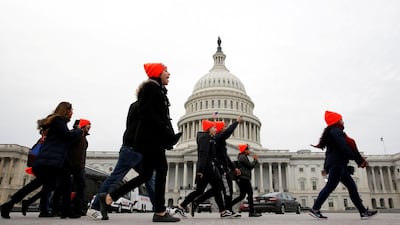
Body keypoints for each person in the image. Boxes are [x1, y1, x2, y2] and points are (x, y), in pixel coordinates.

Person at [99, 63, 182, 222]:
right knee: (160, 171)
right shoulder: (152, 89)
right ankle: (159, 212)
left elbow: (158, 117)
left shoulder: (156, 89)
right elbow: (148, 115)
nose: (169, 74)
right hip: (152, 141)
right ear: (158, 73)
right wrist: (164, 134)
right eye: (165, 71)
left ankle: (109, 197)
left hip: (151, 140)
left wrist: (168, 136)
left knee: (146, 175)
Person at [88, 88, 156, 220]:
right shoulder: (142, 107)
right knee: (116, 178)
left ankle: (160, 210)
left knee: (150, 177)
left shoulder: (137, 106)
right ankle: (94, 207)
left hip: (137, 150)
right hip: (132, 149)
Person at [308, 110, 377, 220]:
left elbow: (328, 153)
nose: (343, 122)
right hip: (337, 164)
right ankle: (315, 209)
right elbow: (344, 146)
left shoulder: (332, 132)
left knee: (352, 187)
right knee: (330, 186)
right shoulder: (336, 131)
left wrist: (326, 167)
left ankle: (363, 212)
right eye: (341, 119)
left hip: (338, 164)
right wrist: (356, 158)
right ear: (337, 121)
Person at [32, 101, 83, 218]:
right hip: (53, 157)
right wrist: (78, 130)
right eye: (71, 110)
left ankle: (61, 211)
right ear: (66, 110)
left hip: (57, 157)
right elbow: (67, 136)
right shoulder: (58, 121)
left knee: (61, 184)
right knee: (46, 184)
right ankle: (12, 203)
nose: (72, 113)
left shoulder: (57, 121)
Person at [177, 120, 234, 219]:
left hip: (209, 168)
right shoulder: (204, 138)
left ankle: (182, 206)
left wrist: (220, 170)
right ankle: (181, 206)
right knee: (208, 189)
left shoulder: (209, 138)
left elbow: (212, 156)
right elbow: (203, 155)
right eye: (214, 127)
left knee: (209, 189)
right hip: (207, 169)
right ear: (209, 128)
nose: (216, 129)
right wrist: (200, 171)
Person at [190, 117, 243, 217]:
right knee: (226, 189)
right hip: (220, 168)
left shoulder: (218, 140)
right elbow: (227, 133)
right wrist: (236, 122)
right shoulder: (218, 138)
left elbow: (225, 156)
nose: (225, 128)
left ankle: (198, 201)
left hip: (220, 168)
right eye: (223, 127)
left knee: (216, 189)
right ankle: (227, 210)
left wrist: (232, 168)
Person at [0, 129, 48, 219]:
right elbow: (36, 152)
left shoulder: (45, 139)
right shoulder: (45, 139)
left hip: (43, 165)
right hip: (43, 165)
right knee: (39, 185)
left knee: (45, 185)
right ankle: (12, 203)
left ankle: (17, 203)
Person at [231, 144, 261, 217]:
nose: (249, 151)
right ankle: (251, 212)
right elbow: (250, 166)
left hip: (242, 178)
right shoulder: (243, 157)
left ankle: (228, 206)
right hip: (243, 178)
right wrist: (255, 160)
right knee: (250, 194)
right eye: (248, 150)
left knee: (242, 196)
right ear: (245, 150)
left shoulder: (242, 157)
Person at [69, 119, 91, 216]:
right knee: (70, 187)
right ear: (83, 125)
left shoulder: (84, 138)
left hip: (80, 166)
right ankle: (68, 208)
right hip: (72, 164)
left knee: (80, 186)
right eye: (88, 125)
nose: (89, 127)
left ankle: (77, 208)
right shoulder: (75, 134)